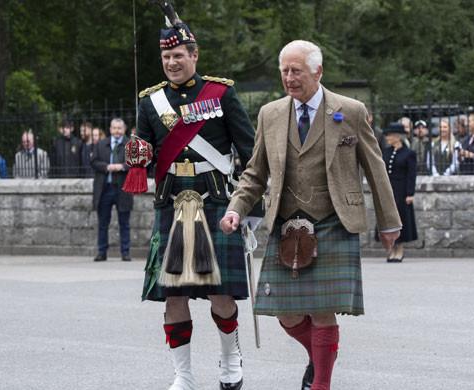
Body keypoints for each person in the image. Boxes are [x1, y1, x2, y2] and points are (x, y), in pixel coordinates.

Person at [220, 40, 401, 390]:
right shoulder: (270, 114)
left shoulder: (349, 110)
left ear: (317, 71)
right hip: (286, 224)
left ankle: (321, 383)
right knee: (286, 314)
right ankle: (321, 356)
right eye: (284, 71)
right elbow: (255, 173)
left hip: (334, 220)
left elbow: (375, 168)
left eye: (296, 71)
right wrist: (235, 209)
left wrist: (389, 222)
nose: (289, 78)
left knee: (322, 311)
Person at [136, 5, 256, 389]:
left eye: (178, 55)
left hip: (216, 199)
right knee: (174, 297)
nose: (171, 62)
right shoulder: (149, 103)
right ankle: (183, 376)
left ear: (194, 55)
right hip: (172, 202)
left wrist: (253, 206)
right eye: (166, 56)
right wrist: (137, 157)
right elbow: (146, 154)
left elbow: (250, 154)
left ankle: (230, 360)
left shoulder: (221, 93)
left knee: (220, 293)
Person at [90, 118, 133, 262]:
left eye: (119, 128)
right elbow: (94, 162)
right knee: (103, 223)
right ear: (110, 129)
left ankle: (125, 252)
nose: (117, 131)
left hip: (123, 188)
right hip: (105, 189)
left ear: (124, 129)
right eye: (114, 128)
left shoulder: (130, 144)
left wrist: (122, 166)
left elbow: (135, 161)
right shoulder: (101, 144)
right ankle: (102, 252)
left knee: (124, 222)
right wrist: (107, 167)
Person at [380, 123, 418, 261]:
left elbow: (411, 175)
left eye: (389, 135)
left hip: (401, 190)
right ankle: (391, 248)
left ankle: (399, 249)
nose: (387, 138)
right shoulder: (386, 151)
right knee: (387, 219)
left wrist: (410, 193)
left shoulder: (409, 154)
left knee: (401, 219)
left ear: (397, 137)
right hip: (388, 190)